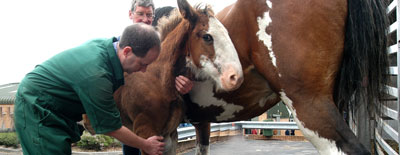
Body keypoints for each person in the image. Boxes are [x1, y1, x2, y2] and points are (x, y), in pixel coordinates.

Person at [14, 23, 165, 155]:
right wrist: (145, 145)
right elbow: (111, 128)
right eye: (142, 64)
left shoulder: (108, 48)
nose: (144, 70)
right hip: (36, 105)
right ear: (127, 51)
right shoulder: (97, 75)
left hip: (54, 106)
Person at [123, 1, 193, 154]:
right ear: (131, 15)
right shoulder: (121, 44)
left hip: (159, 115)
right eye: (140, 14)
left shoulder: (163, 46)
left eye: (149, 15)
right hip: (129, 115)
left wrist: (182, 81)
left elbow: (175, 68)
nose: (145, 19)